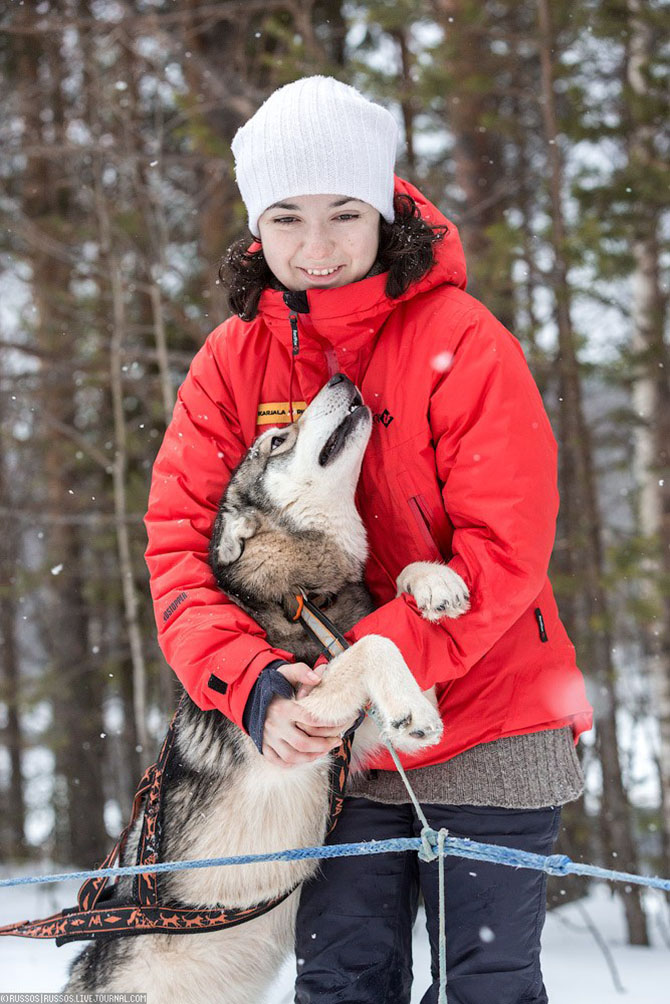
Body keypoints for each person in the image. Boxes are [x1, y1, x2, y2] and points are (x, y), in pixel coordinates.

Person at [144, 76, 593, 1004]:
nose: (316, 249)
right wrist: (254, 685)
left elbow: (505, 548)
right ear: (255, 226)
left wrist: (386, 655)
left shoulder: (463, 340)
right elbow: (179, 557)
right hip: (332, 747)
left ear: (386, 209)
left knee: (489, 984)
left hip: (492, 722)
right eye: (287, 219)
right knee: (346, 981)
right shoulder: (234, 361)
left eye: (345, 214)